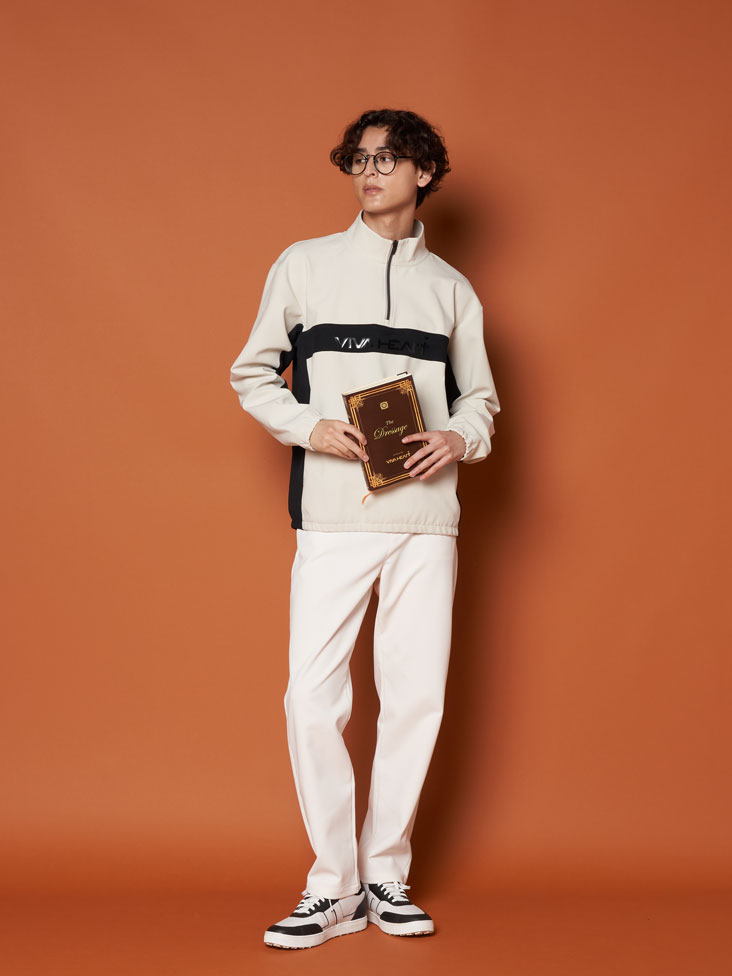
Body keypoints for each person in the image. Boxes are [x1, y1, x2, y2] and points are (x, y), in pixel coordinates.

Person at [230, 107, 499, 950]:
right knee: (312, 699)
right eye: (359, 158)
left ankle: (386, 875)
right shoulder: (303, 265)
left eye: (387, 158)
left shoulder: (451, 288)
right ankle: (333, 885)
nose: (369, 172)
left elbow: (481, 399)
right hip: (334, 516)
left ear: (424, 173)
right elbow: (251, 374)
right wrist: (308, 426)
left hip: (426, 520)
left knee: (415, 697)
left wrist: (460, 437)